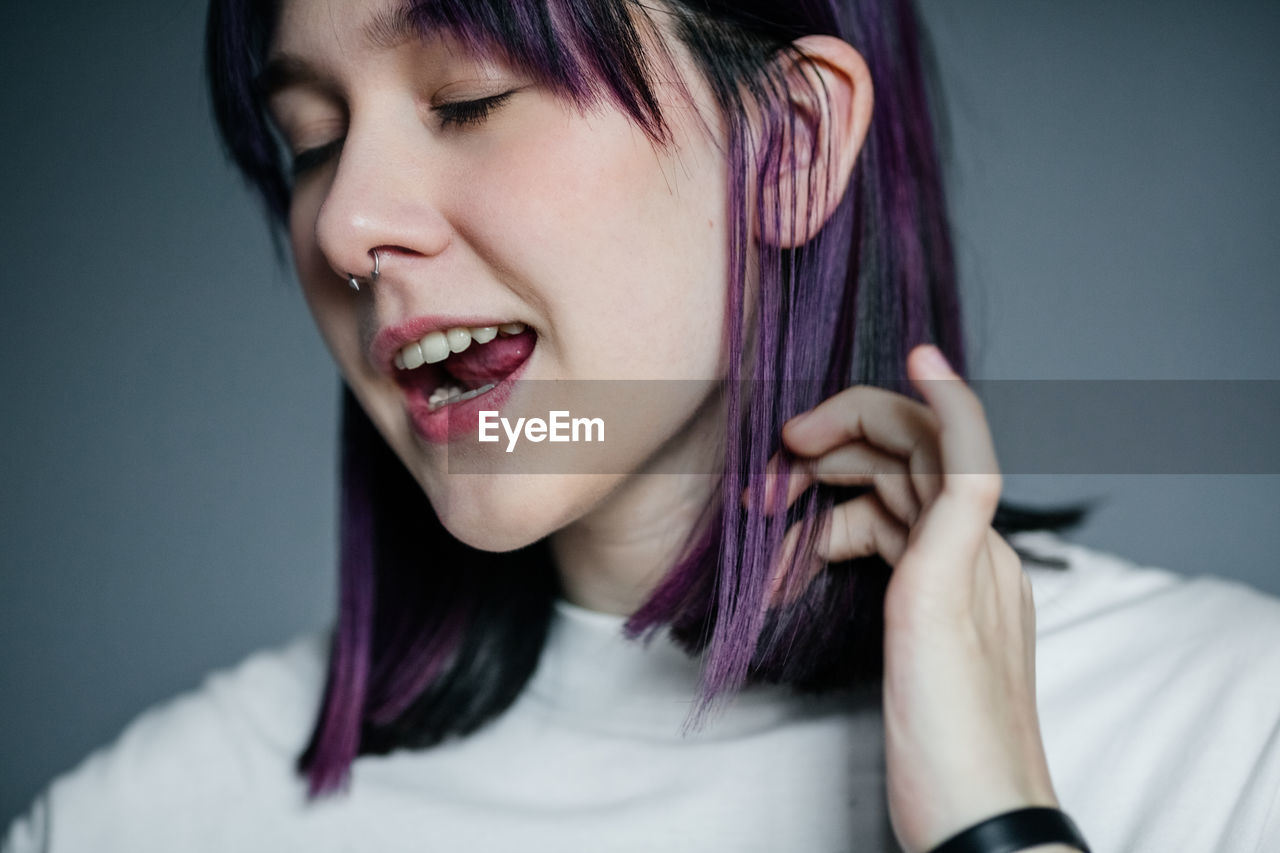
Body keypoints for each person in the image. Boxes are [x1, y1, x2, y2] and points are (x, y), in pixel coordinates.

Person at [5, 0, 1279, 851]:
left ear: (787, 144)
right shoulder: (159, 815)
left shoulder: (1230, 734)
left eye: (466, 99)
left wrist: (994, 823)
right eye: (312, 142)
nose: (345, 227)